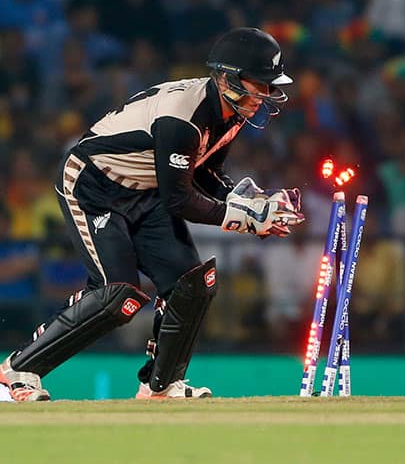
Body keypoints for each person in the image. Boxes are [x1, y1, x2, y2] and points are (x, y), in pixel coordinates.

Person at [0, 28, 305, 401]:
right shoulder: (183, 119)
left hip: (146, 190)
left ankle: (160, 386)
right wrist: (242, 218)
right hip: (95, 185)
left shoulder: (232, 111)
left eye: (269, 84)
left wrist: (251, 203)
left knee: (192, 284)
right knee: (118, 294)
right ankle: (18, 369)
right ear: (225, 77)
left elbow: (205, 171)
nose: (266, 94)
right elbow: (180, 200)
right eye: (258, 84)